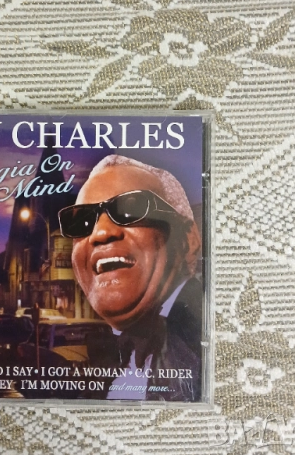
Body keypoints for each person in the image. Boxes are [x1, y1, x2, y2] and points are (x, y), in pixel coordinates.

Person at [58, 155, 202, 401]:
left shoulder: (216, 338)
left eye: (131, 209)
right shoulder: (108, 364)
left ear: (187, 240)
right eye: (81, 221)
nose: (100, 233)